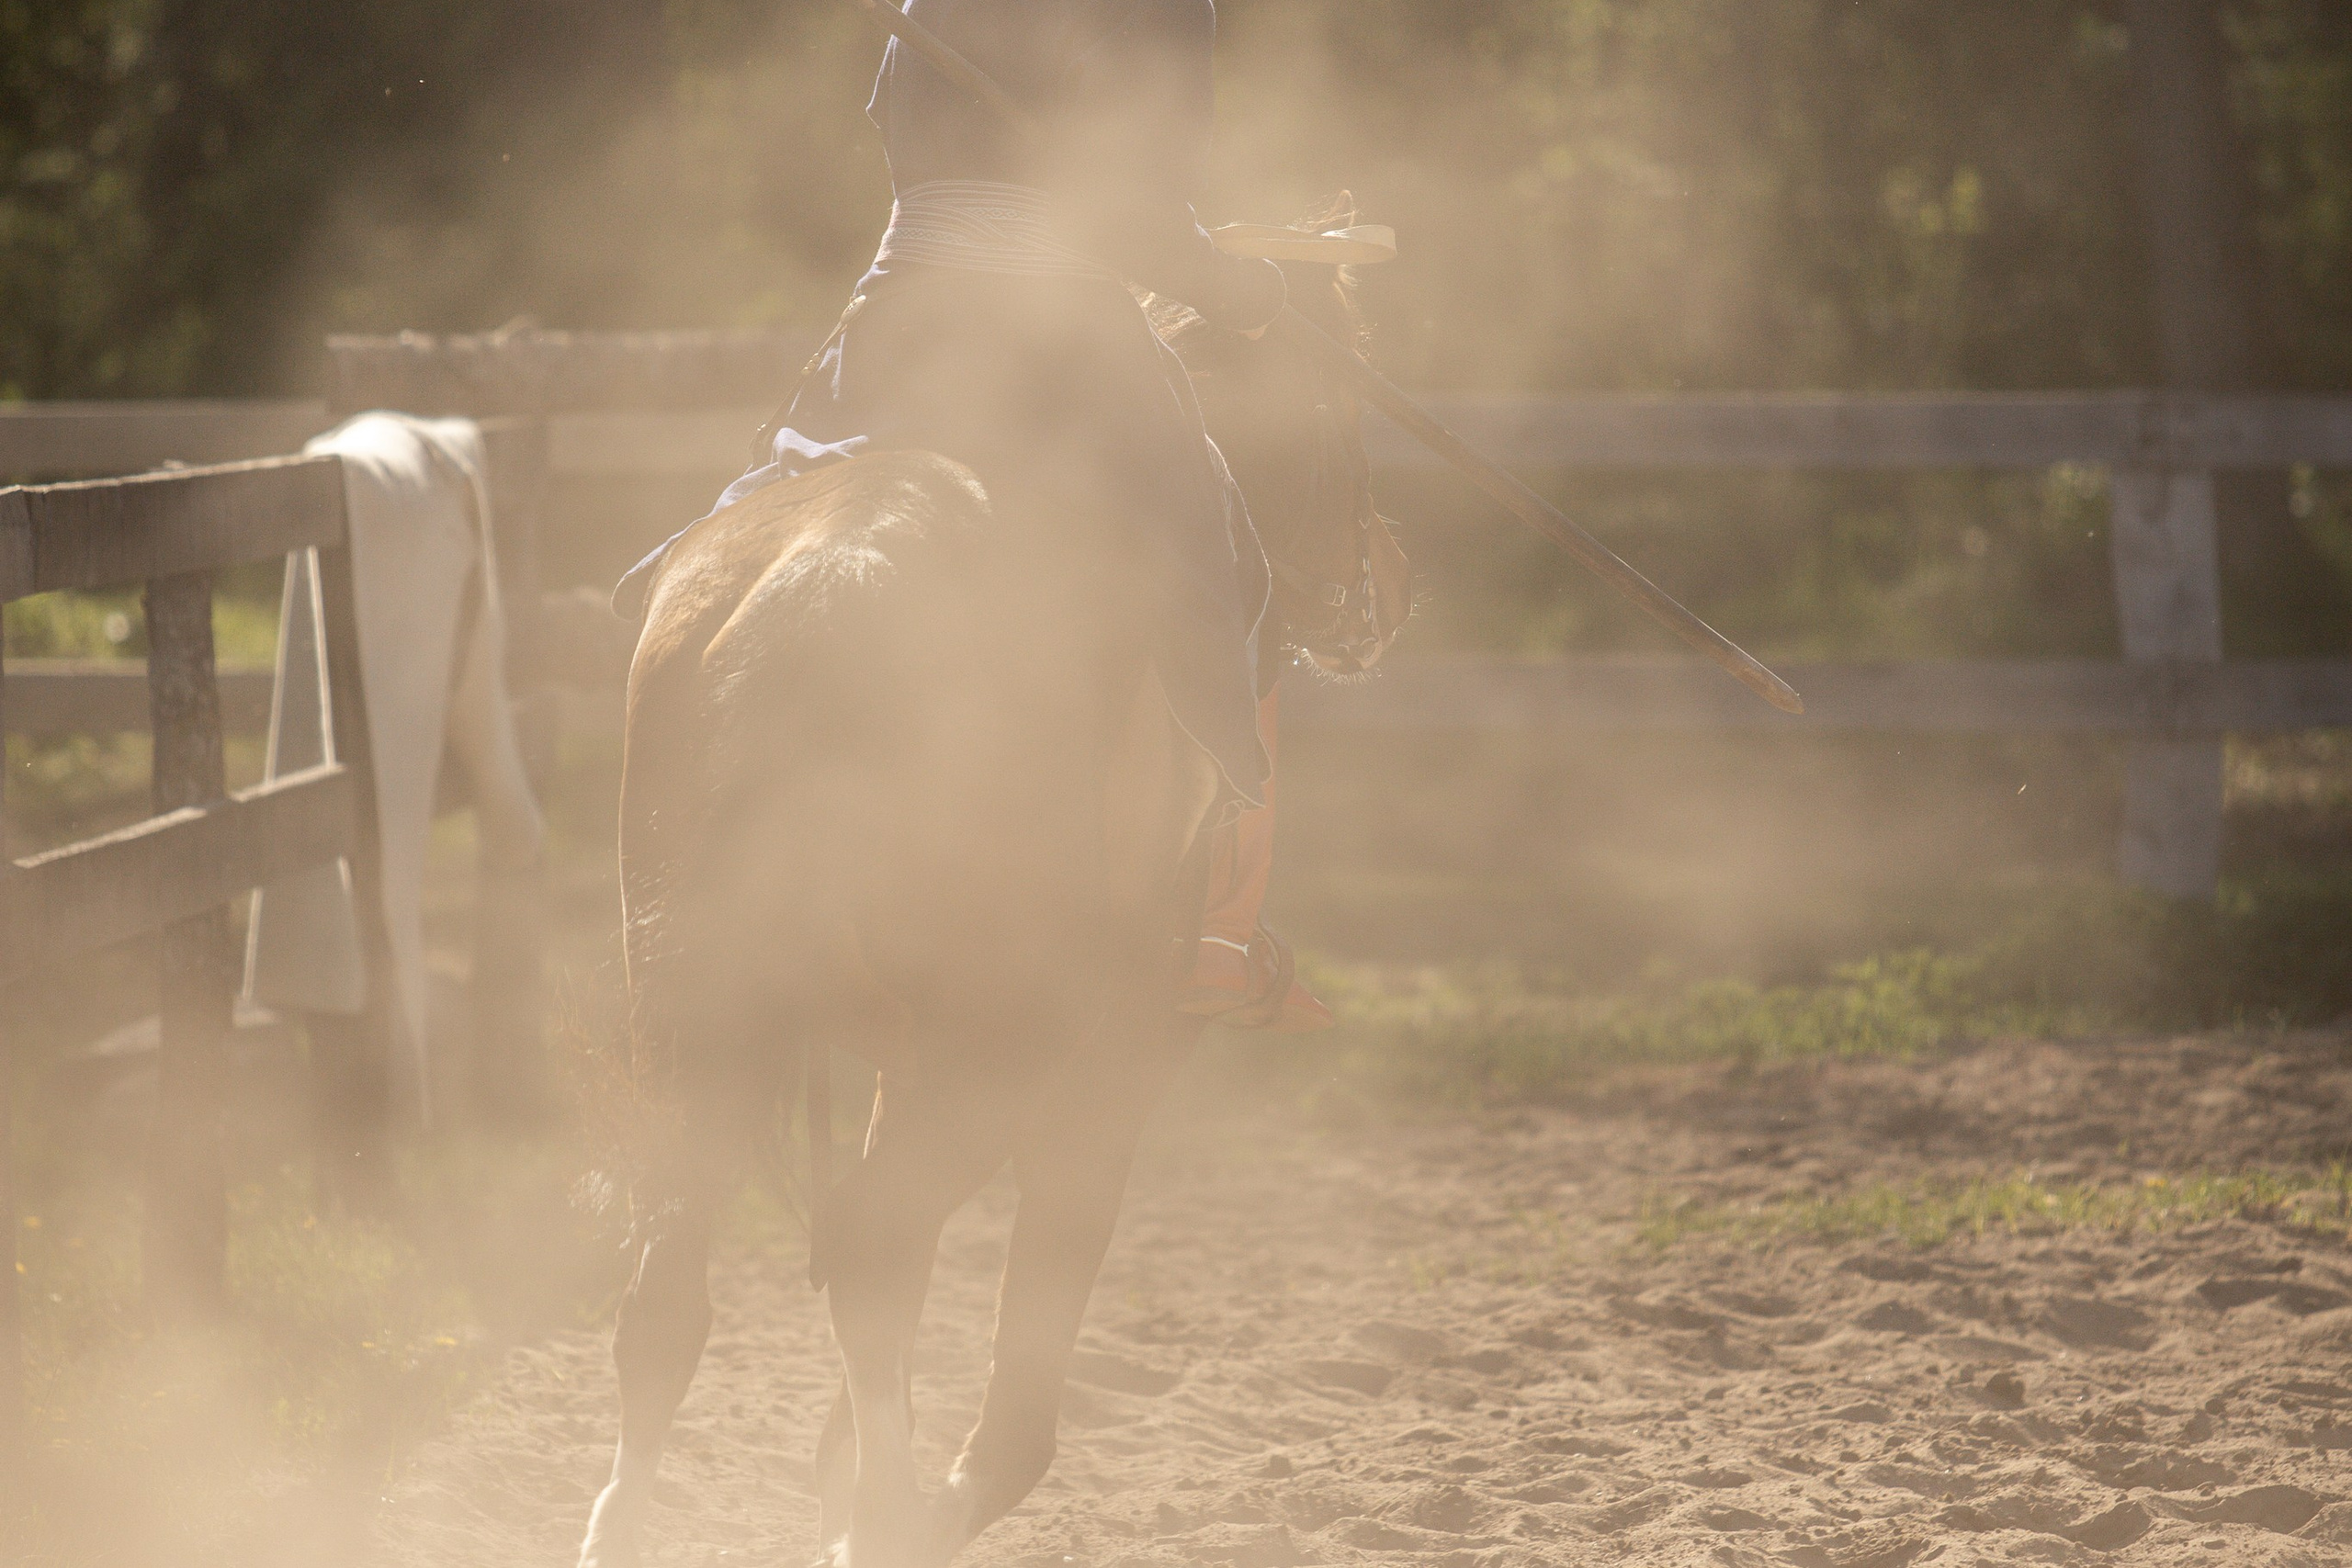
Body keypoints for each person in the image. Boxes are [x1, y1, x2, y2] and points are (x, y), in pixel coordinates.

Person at [615, 0, 1329, 1030]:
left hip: (900, 318)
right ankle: (1215, 930)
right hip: (1064, 341)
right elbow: (1134, 213)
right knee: (1226, 562)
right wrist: (1248, 292)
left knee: (766, 500)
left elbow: (907, 145)